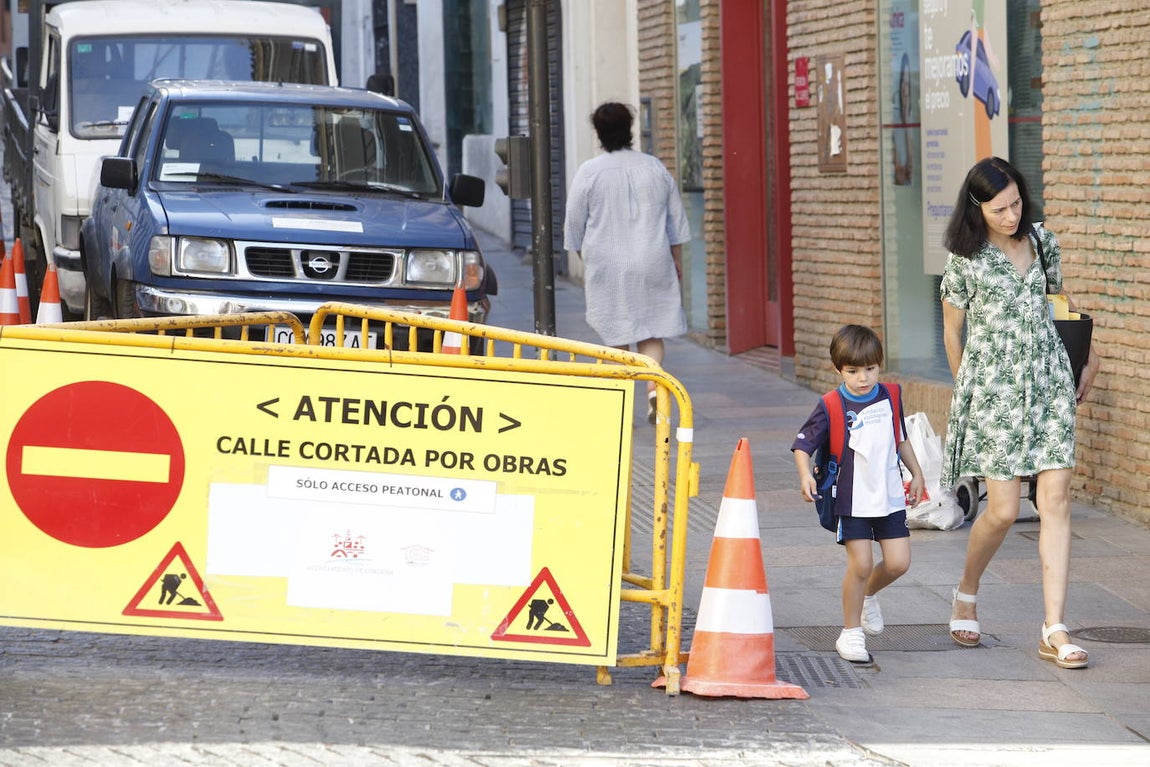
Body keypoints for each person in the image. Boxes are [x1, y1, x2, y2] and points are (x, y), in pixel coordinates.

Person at [940, 156, 1099, 669]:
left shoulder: (1043, 242)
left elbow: (1057, 302)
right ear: (977, 208)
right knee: (1004, 510)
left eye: (1016, 204)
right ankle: (967, 588)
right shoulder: (965, 259)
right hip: (995, 392)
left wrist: (1091, 355)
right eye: (999, 209)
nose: (1012, 216)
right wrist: (965, 388)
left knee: (1055, 497)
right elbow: (951, 331)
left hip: (1050, 383)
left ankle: (1054, 627)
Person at [792, 325, 924, 663]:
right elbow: (804, 445)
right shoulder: (831, 405)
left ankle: (866, 597)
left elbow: (901, 438)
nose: (863, 378)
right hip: (851, 499)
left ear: (880, 365)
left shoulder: (891, 395)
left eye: (870, 369)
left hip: (890, 495)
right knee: (861, 563)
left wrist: (917, 473)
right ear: (838, 369)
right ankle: (850, 632)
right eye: (853, 371)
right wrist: (805, 474)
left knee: (898, 563)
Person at [563, 102, 691, 423]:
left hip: (607, 264)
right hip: (653, 258)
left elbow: (574, 227)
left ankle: (619, 404)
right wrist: (676, 262)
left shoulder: (589, 172)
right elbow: (675, 222)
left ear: (599, 132)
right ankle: (653, 393)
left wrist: (586, 257)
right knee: (651, 331)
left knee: (615, 335)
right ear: (630, 129)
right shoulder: (655, 168)